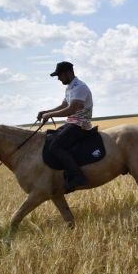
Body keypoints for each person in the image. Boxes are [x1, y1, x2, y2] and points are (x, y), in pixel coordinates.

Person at [37, 61, 93, 192]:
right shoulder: (70, 87)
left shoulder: (80, 87)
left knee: (55, 145)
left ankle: (78, 177)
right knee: (50, 137)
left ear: (68, 73)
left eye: (59, 75)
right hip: (72, 122)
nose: (58, 78)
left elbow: (71, 109)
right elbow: (63, 106)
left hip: (80, 124)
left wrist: (50, 115)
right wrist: (46, 112)